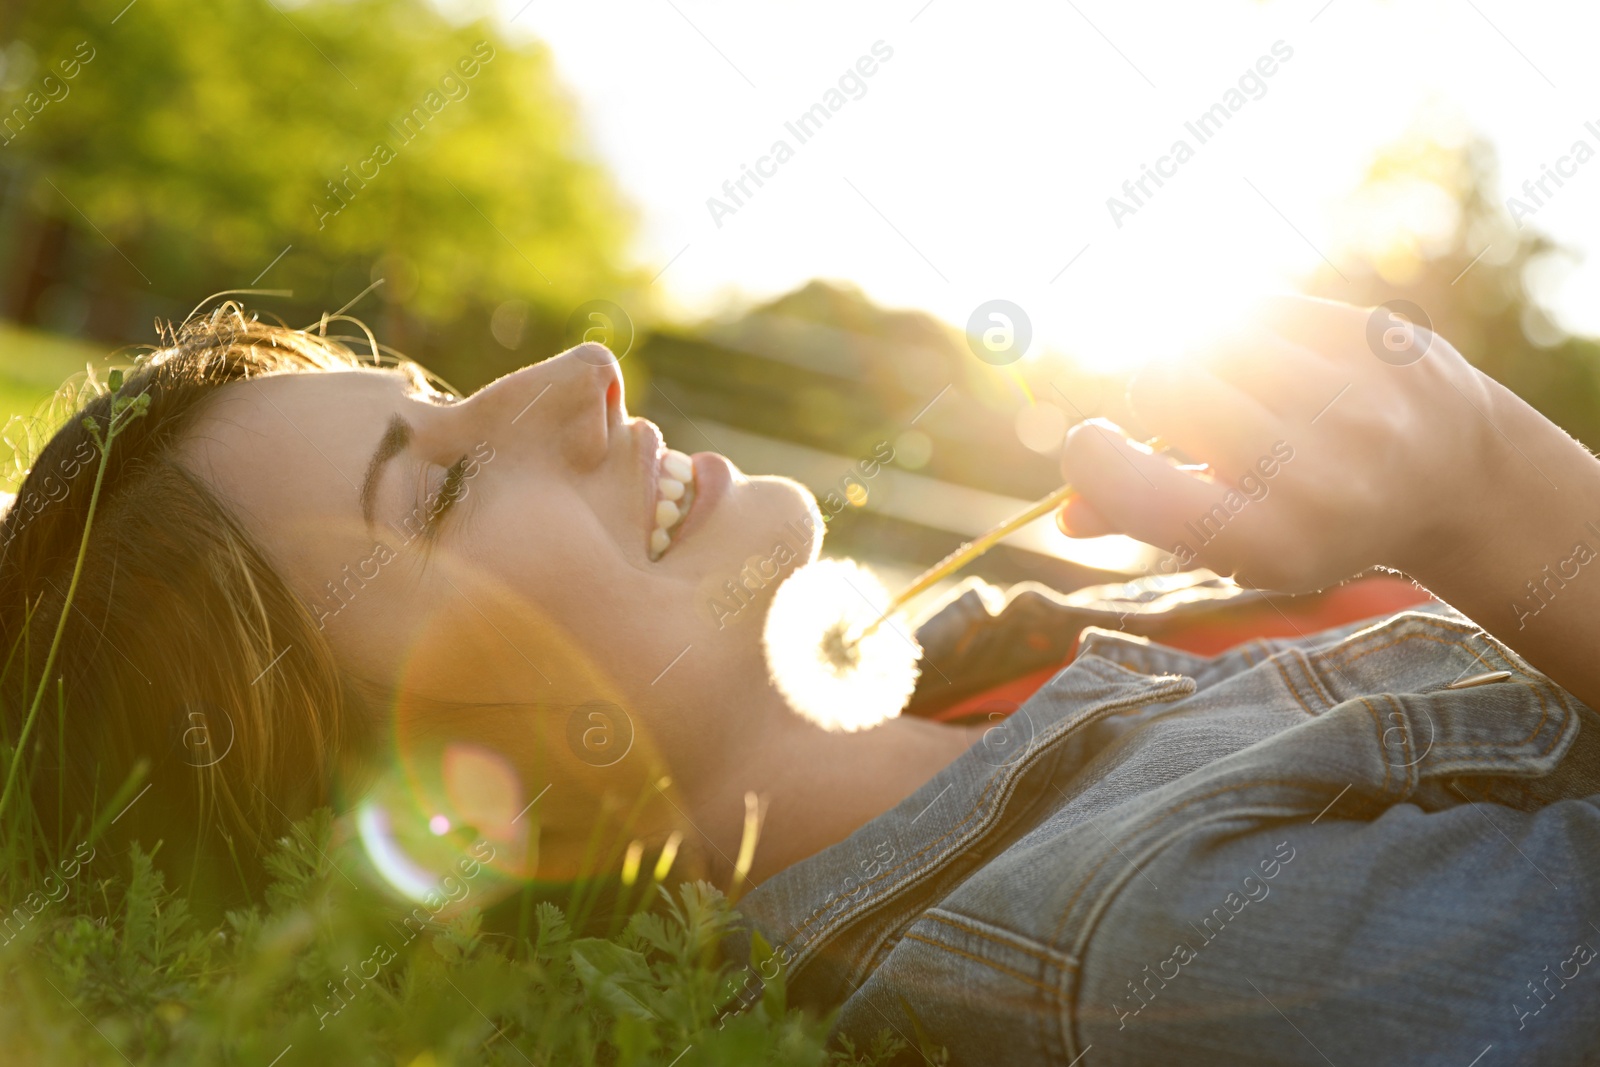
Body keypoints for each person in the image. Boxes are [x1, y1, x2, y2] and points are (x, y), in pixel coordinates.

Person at [2, 296, 1596, 1063]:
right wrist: (1497, 491)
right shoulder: (1154, 948)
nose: (575, 376)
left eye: (441, 391)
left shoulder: (998, 670)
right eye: (434, 489)